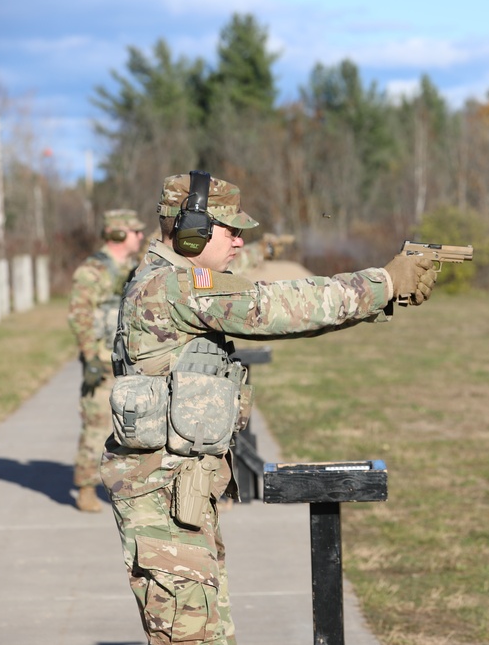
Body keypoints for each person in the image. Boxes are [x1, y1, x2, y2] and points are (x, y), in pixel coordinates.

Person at [100, 171, 436, 644]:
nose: (240, 241)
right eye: (229, 229)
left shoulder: (169, 279)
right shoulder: (176, 285)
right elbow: (273, 308)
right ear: (190, 227)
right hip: (163, 496)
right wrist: (382, 283)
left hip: (176, 492)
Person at [67, 209, 145, 512]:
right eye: (135, 231)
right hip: (102, 359)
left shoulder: (133, 266)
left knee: (135, 426)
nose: (141, 236)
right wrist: (90, 358)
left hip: (128, 358)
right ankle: (86, 488)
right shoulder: (93, 271)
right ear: (117, 234)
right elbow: (79, 314)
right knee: (97, 424)